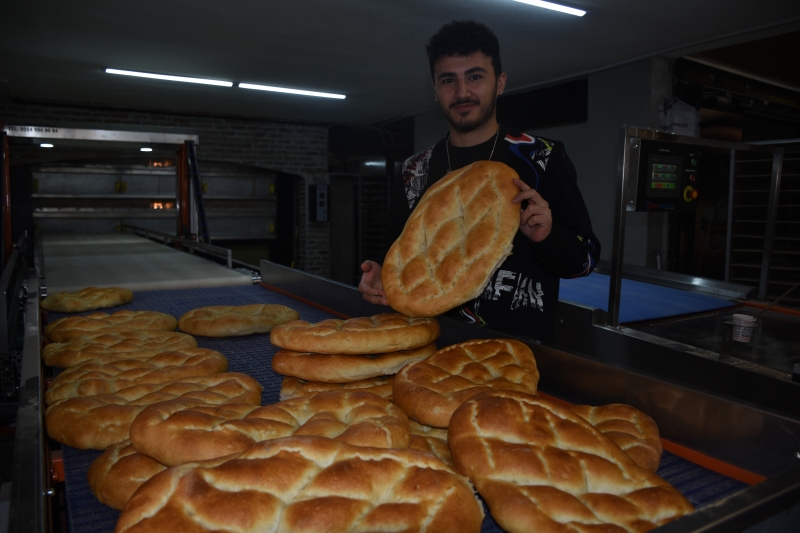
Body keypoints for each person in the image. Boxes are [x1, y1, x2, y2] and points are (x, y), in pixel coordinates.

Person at [358, 20, 600, 343]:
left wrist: (548, 237)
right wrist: (379, 278)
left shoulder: (540, 158)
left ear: (499, 83)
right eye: (448, 80)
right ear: (434, 89)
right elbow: (399, 255)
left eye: (474, 76)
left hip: (517, 357)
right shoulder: (415, 170)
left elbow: (586, 259)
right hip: (433, 353)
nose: (462, 92)